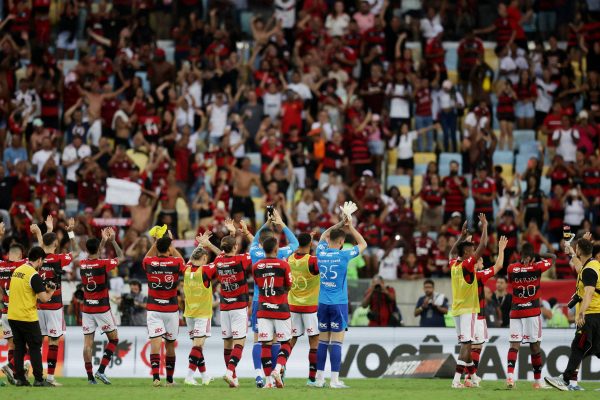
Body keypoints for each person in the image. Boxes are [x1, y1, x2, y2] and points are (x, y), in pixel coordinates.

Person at [315, 207, 367, 389]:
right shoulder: (344, 255)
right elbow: (363, 244)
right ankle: (334, 380)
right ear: (342, 242)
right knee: (337, 341)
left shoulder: (320, 252)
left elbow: (322, 236)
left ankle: (319, 379)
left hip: (322, 303)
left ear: (330, 240)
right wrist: (350, 225)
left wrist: (340, 223)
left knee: (322, 341)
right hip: (338, 303)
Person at [248, 210, 298, 388]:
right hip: (280, 305)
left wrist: (266, 222)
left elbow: (254, 241)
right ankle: (279, 369)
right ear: (276, 248)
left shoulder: (255, 257)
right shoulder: (283, 256)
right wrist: (280, 223)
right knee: (284, 341)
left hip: (260, 303)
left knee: (262, 342)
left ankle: (264, 378)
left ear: (262, 245)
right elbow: (295, 243)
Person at [546, 237, 600, 391]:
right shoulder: (592, 265)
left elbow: (589, 293)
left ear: (580, 250)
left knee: (578, 347)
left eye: (576, 250)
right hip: (597, 314)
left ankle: (565, 380)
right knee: (596, 349)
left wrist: (582, 313)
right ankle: (572, 383)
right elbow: (578, 266)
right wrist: (571, 252)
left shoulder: (589, 270)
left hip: (590, 315)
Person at [202, 226, 253, 388]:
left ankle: (234, 378)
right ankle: (230, 371)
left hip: (225, 307)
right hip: (239, 306)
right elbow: (258, 249)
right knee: (240, 342)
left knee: (227, 343)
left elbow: (223, 253)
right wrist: (242, 233)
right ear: (236, 247)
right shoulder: (241, 260)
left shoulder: (218, 261)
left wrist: (210, 244)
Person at [506, 242, 556, 390]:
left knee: (514, 345)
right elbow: (553, 257)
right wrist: (538, 256)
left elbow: (511, 280)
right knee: (535, 347)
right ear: (532, 256)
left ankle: (510, 378)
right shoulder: (537, 267)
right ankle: (537, 382)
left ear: (520, 255)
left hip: (515, 312)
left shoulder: (511, 268)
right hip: (532, 312)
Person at [33, 217, 75, 387]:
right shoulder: (59, 259)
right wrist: (70, 231)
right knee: (53, 341)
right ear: (56, 244)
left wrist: (44, 231)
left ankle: (35, 374)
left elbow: (42, 248)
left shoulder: (37, 260)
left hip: (37, 305)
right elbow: (76, 251)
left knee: (37, 342)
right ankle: (50, 377)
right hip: (54, 306)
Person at [79, 227, 124, 385]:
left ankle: (90, 378)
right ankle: (101, 370)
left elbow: (93, 255)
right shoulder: (103, 264)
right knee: (114, 339)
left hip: (87, 309)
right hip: (102, 309)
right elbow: (121, 256)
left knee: (87, 344)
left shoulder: (82, 264)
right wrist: (112, 241)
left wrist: (103, 240)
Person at [448, 215, 488, 389]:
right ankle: (456, 380)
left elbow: (451, 253)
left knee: (466, 342)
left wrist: (461, 237)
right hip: (468, 309)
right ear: (466, 253)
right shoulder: (466, 265)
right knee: (467, 344)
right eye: (471, 249)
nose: (474, 252)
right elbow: (484, 246)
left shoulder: (454, 265)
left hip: (456, 309)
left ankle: (474, 376)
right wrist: (485, 226)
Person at [143, 232, 186, 387]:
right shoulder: (175, 262)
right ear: (169, 248)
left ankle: (155, 378)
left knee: (155, 343)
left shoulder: (149, 261)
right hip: (171, 309)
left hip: (154, 308)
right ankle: (169, 380)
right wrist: (171, 244)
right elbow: (183, 262)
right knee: (170, 345)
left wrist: (157, 241)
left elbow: (145, 257)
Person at [7, 246, 55, 387]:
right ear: (39, 260)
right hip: (27, 317)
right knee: (35, 347)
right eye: (42, 261)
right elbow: (44, 298)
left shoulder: (18, 270)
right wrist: (51, 291)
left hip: (13, 315)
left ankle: (20, 379)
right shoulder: (33, 275)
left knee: (19, 348)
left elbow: (25, 290)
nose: (42, 264)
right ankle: (39, 379)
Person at [467, 236, 508, 387]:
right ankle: (469, 377)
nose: (483, 264)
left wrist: (467, 241)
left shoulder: (462, 274)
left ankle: (470, 376)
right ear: (475, 263)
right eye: (481, 262)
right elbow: (498, 266)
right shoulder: (479, 276)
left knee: (470, 347)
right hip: (477, 316)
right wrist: (501, 250)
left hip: (466, 315)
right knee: (476, 347)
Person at [287, 232, 320, 385]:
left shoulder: (290, 259)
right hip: (309, 307)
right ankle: (312, 379)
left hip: (293, 305)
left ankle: (281, 369)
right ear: (311, 243)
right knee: (314, 341)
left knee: (291, 340)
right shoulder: (312, 261)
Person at [183, 236, 215, 386]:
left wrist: (201, 245)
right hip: (202, 314)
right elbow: (224, 258)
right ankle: (189, 376)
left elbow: (191, 259)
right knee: (198, 346)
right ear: (203, 258)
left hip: (189, 314)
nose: (206, 261)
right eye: (206, 259)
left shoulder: (186, 268)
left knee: (197, 346)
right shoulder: (206, 270)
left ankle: (204, 376)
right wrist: (209, 245)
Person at [0, 240, 26, 384]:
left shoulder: (1, 266)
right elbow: (41, 255)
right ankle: (12, 367)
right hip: (17, 313)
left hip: (5, 311)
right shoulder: (22, 265)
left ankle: (15, 375)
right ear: (20, 255)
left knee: (12, 345)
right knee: (25, 345)